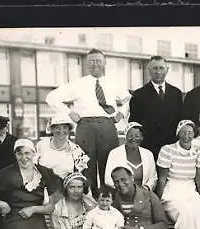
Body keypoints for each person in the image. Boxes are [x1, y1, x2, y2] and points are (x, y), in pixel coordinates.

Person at [45, 48, 131, 197]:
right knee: (85, 166)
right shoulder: (78, 84)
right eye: (91, 61)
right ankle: (86, 201)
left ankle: (109, 201)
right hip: (85, 126)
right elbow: (51, 97)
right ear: (86, 64)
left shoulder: (114, 83)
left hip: (107, 125)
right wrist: (69, 113)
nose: (94, 64)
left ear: (105, 62)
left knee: (109, 164)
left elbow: (128, 99)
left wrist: (121, 113)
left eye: (98, 61)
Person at [156, 120, 200, 229]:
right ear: (178, 134)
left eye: (190, 133)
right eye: (183, 132)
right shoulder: (167, 150)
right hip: (172, 189)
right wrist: (158, 203)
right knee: (185, 214)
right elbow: (162, 179)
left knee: (199, 212)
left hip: (190, 189)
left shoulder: (199, 150)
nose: (187, 136)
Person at [129, 55, 183, 159]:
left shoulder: (176, 93)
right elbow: (134, 122)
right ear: (149, 70)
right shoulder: (139, 94)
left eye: (161, 68)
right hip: (148, 146)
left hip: (171, 146)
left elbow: (180, 119)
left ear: (167, 70)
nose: (158, 72)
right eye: (155, 68)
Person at [104, 122, 157, 191]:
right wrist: (124, 190)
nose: (134, 138)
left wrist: (145, 189)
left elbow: (153, 177)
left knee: (156, 201)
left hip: (143, 194)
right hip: (121, 193)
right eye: (130, 135)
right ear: (125, 137)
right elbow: (108, 179)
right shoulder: (114, 153)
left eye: (137, 136)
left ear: (142, 138)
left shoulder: (148, 154)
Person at [35, 112, 90, 180]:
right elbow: (33, 168)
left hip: (66, 188)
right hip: (43, 187)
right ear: (52, 129)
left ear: (69, 130)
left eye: (65, 127)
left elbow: (81, 177)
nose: (61, 131)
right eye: (57, 127)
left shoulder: (76, 150)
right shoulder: (41, 145)